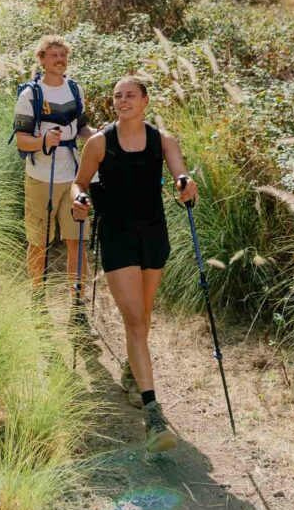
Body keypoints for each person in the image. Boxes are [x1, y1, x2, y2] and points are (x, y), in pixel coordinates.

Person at [70, 73, 197, 451]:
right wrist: (79, 200)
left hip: (154, 235)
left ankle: (132, 369)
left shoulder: (163, 140)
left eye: (129, 95)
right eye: (116, 96)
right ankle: (153, 415)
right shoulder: (99, 142)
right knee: (135, 320)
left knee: (144, 316)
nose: (122, 101)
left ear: (145, 101)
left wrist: (185, 186)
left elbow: (181, 174)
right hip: (117, 235)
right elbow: (78, 183)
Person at [13, 35, 95, 294]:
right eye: (54, 55)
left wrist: (99, 137)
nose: (60, 60)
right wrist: (43, 141)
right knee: (38, 243)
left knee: (77, 241)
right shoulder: (30, 94)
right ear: (41, 59)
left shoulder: (75, 89)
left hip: (74, 178)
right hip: (40, 177)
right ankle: (37, 298)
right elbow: (22, 141)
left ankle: (77, 304)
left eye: (63, 55)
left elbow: (81, 128)